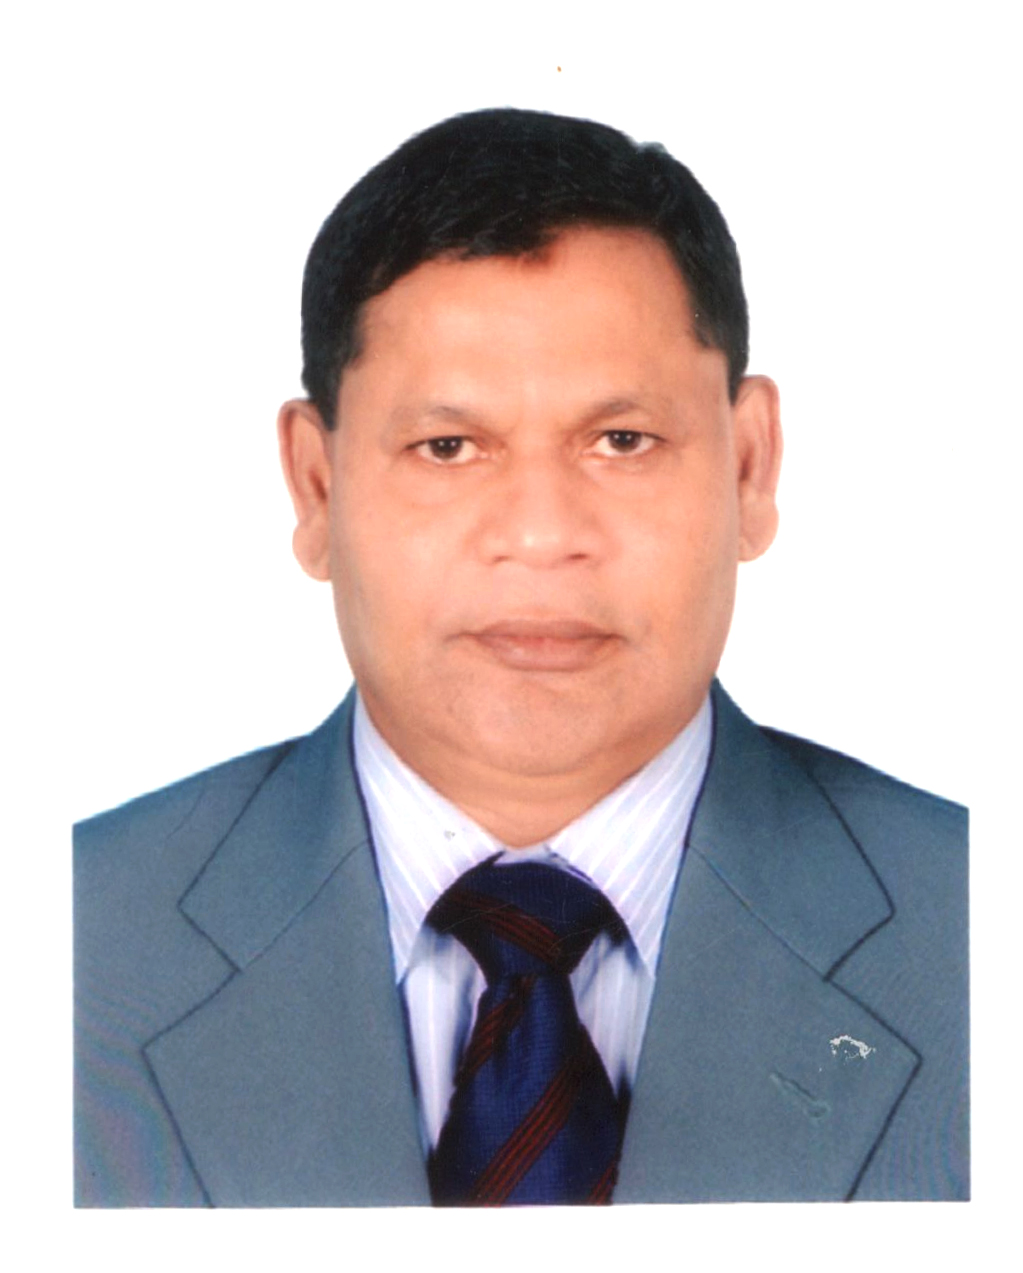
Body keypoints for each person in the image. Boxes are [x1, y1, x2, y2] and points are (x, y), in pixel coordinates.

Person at [73, 107, 968, 1207]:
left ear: (749, 466)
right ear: (315, 486)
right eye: (448, 447)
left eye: (621, 441)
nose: (541, 535)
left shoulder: (977, 930)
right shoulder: (65, 944)